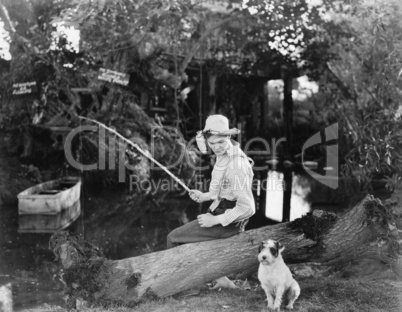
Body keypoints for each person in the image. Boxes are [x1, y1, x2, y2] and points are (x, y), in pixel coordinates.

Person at [166, 114, 255, 290]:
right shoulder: (225, 154)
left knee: (174, 238)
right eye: (211, 143)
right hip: (220, 209)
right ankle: (220, 279)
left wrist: (214, 220)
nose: (216, 147)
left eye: (220, 142)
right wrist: (205, 196)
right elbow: (224, 191)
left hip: (230, 221)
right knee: (191, 237)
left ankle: (182, 286)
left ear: (228, 136)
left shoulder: (236, 165)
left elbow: (247, 208)